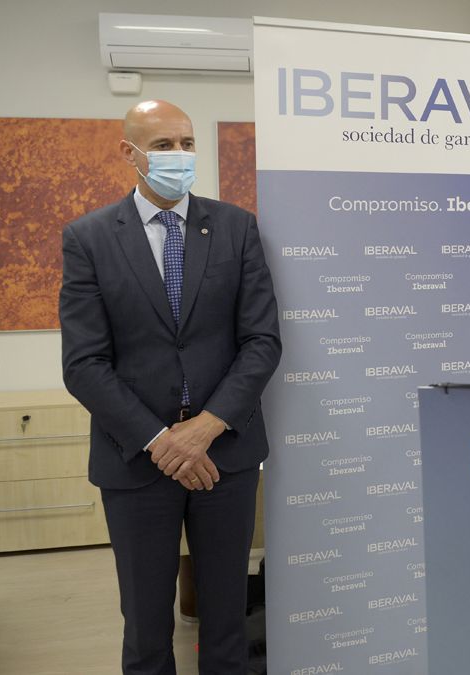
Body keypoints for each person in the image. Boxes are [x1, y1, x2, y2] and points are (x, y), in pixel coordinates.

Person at [59, 100, 282, 675]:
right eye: (162, 146)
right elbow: (84, 363)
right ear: (129, 153)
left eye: (185, 143)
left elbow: (261, 342)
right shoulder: (89, 238)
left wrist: (205, 429)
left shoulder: (235, 227)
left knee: (226, 619)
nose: (178, 156)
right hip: (136, 461)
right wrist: (163, 440)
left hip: (224, 457)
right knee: (147, 627)